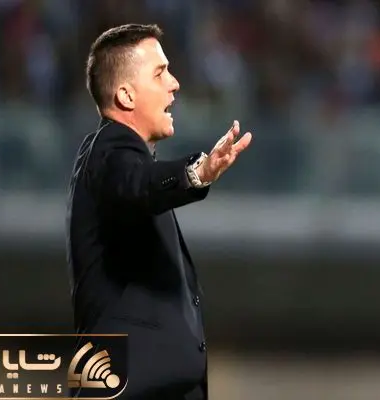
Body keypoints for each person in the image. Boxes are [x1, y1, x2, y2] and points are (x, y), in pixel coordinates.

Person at [66, 23, 252, 399]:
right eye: (159, 73)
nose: (175, 83)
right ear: (125, 95)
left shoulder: (121, 159)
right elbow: (138, 184)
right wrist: (197, 172)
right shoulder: (109, 150)